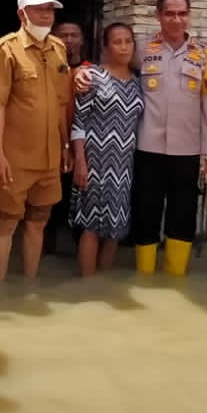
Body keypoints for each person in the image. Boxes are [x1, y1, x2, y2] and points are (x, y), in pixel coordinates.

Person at [81, 0, 207, 275]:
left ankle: (175, 277)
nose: (176, 20)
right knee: (146, 212)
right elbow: (109, 69)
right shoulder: (141, 50)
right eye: (169, 13)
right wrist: (79, 71)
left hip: (188, 149)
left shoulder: (204, 55)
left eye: (182, 13)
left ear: (189, 16)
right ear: (158, 15)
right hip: (147, 148)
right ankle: (145, 276)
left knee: (182, 215)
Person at [0, 0, 72, 280]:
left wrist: (66, 145)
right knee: (7, 221)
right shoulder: (5, 50)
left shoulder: (58, 49)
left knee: (39, 221)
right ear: (22, 14)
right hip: (14, 157)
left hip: (49, 158)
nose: (47, 15)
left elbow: (61, 104)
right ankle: (0, 286)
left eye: (50, 9)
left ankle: (29, 283)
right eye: (40, 9)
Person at [69, 22, 143, 275]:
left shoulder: (138, 82)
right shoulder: (93, 77)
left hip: (125, 164)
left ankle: (104, 282)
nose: (123, 47)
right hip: (95, 160)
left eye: (128, 41)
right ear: (105, 46)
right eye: (117, 41)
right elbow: (78, 122)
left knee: (116, 225)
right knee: (91, 224)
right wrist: (80, 160)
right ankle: (87, 283)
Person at [45, 18, 88, 256]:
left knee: (80, 197)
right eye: (63, 35)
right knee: (50, 201)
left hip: (84, 146)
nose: (69, 40)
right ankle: (46, 251)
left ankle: (80, 252)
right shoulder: (47, 69)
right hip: (52, 141)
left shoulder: (93, 70)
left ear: (82, 40)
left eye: (74, 35)